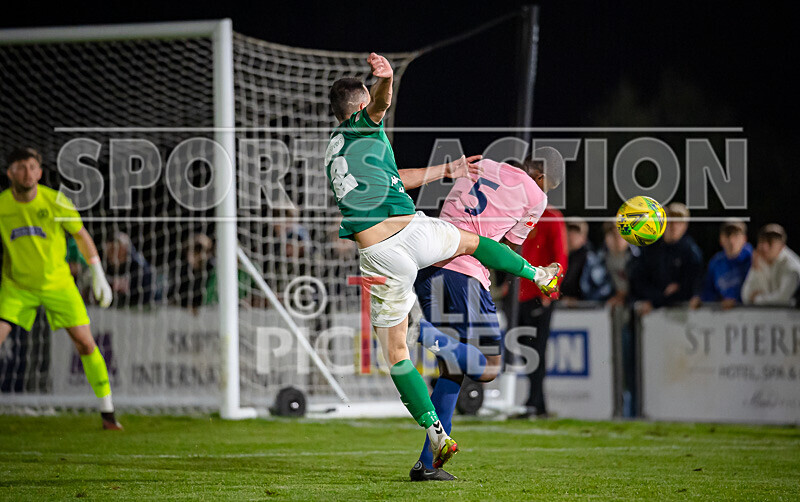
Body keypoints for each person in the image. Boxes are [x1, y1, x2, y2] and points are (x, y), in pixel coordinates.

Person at [325, 53, 563, 475]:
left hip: (379, 256)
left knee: (397, 355)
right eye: (371, 104)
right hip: (415, 237)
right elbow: (380, 104)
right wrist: (386, 78)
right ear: (359, 108)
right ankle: (537, 274)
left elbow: (397, 175)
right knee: (488, 360)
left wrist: (445, 170)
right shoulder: (365, 122)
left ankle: (433, 444)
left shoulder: (336, 149)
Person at [411, 149, 565, 480]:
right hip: (465, 273)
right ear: (542, 179)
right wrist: (538, 275)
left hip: (427, 265)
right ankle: (421, 332)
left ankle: (428, 464)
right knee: (490, 367)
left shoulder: (479, 164)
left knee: (452, 368)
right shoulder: (535, 196)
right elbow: (506, 245)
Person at [0, 147, 121, 429]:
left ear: (40, 173)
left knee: (85, 343)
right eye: (21, 167)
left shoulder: (55, 201)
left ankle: (108, 412)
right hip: (17, 286)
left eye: (32, 167)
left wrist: (98, 273)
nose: (27, 172)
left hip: (58, 284)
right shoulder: (3, 205)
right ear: (10, 172)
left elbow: (81, 235)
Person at [514, 204, 568, 419]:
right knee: (525, 349)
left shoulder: (551, 217)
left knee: (536, 349)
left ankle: (534, 402)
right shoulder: (521, 215)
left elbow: (560, 255)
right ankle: (537, 403)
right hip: (522, 295)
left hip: (539, 295)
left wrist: (551, 290)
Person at [630, 202, 703, 315]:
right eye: (670, 220)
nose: (674, 226)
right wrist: (658, 296)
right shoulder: (650, 247)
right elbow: (639, 280)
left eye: (679, 222)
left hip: (681, 315)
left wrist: (659, 300)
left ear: (685, 226)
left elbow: (689, 287)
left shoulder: (691, 252)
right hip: (650, 313)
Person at [690, 220, 752, 310]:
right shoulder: (716, 262)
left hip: (749, 312)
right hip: (725, 315)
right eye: (727, 235)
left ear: (744, 239)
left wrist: (737, 299)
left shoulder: (753, 259)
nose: (731, 240)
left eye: (736, 235)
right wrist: (700, 298)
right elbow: (709, 289)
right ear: (721, 239)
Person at [741, 224, 800, 306]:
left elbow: (782, 299)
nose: (765, 247)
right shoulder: (760, 260)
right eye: (762, 241)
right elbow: (746, 296)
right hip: (769, 316)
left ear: (781, 246)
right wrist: (755, 269)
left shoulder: (791, 266)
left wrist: (758, 299)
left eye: (770, 242)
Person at [103, 232, 154, 308]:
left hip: (136, 308)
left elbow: (147, 295)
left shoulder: (139, 266)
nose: (113, 253)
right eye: (110, 250)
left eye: (116, 249)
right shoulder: (103, 264)